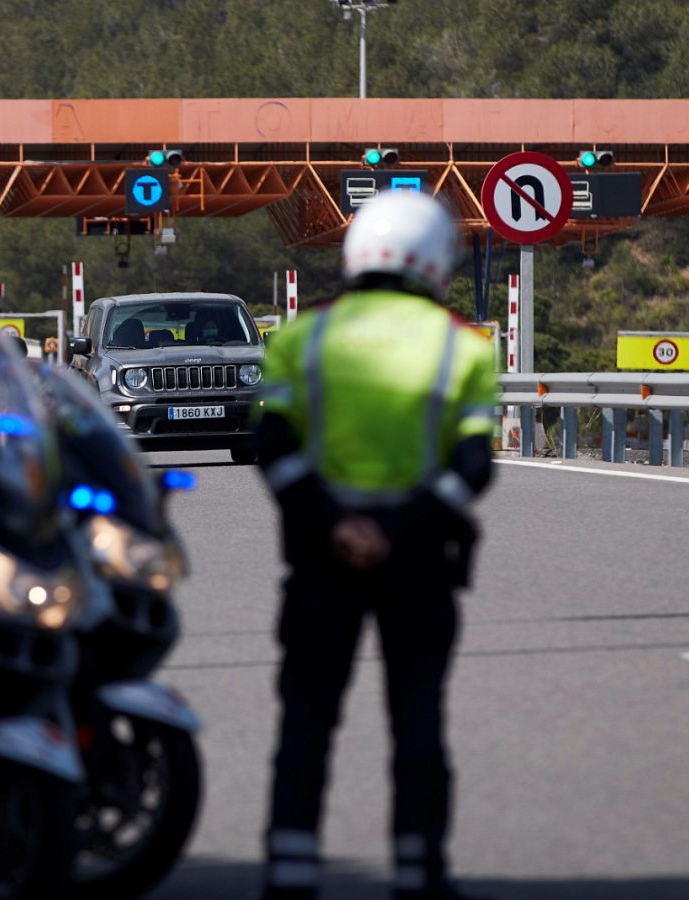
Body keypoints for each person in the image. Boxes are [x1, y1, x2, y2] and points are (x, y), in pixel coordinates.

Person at [255, 191, 498, 900]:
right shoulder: (464, 345)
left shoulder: (301, 339)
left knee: (307, 718)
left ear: (353, 252)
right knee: (417, 720)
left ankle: (290, 873)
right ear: (435, 263)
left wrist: (337, 526)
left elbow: (273, 447)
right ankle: (420, 873)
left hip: (320, 556)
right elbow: (473, 468)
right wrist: (395, 533)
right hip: (418, 560)